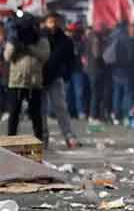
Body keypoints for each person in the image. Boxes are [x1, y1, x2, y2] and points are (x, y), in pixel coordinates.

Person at [5, 12, 49, 141]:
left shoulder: (41, 40)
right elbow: (7, 56)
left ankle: (39, 140)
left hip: (34, 83)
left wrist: (29, 48)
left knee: (36, 115)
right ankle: (11, 141)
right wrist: (15, 44)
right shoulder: (14, 38)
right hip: (16, 82)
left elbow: (45, 56)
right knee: (14, 113)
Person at [41, 12, 79, 148]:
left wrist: (66, 74)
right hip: (39, 79)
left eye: (55, 22)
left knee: (60, 107)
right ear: (45, 22)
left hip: (56, 77)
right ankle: (43, 137)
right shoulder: (39, 37)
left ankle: (68, 136)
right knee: (41, 110)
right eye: (50, 21)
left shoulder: (65, 40)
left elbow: (71, 60)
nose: (53, 25)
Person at [104, 20, 134, 125]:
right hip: (125, 67)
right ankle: (128, 115)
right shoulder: (125, 37)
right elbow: (130, 54)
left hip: (113, 67)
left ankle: (116, 115)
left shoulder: (110, 37)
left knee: (117, 91)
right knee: (127, 92)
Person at [85, 25, 109, 123]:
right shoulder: (96, 38)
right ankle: (94, 115)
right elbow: (97, 54)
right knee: (97, 93)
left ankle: (93, 114)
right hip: (97, 69)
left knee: (94, 93)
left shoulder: (89, 38)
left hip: (91, 69)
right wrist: (104, 61)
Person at [65, 23, 88, 120]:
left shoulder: (82, 43)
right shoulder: (65, 42)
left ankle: (80, 111)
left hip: (78, 70)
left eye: (74, 31)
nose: (72, 33)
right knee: (68, 93)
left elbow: (84, 56)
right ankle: (70, 112)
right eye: (70, 31)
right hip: (68, 71)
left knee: (79, 92)